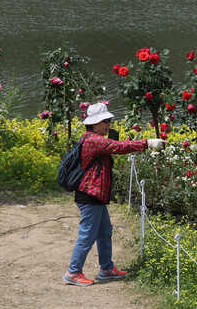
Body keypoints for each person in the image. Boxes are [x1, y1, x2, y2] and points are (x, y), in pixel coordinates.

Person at [63, 103, 165, 286]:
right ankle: (73, 272)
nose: (109, 124)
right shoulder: (93, 139)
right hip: (89, 195)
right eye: (105, 121)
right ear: (94, 123)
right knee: (87, 235)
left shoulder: (93, 138)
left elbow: (111, 151)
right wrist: (148, 143)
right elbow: (118, 147)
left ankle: (106, 269)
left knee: (104, 232)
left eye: (109, 120)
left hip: (97, 195)